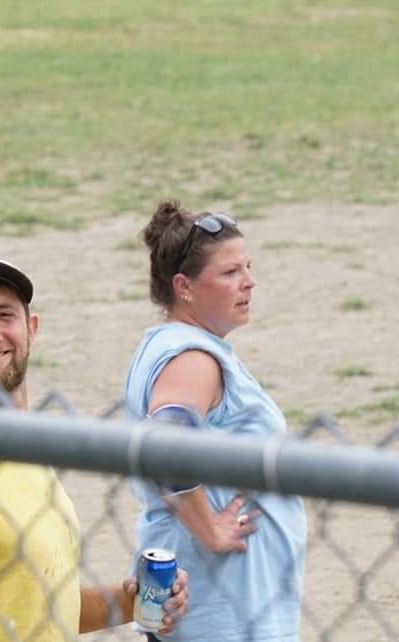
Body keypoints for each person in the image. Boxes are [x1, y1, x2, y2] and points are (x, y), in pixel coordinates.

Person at [0, 250, 189, 641]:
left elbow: (42, 606)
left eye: (5, 314)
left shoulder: (30, 454)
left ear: (31, 328)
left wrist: (132, 601)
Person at [124, 200, 307, 641]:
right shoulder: (191, 358)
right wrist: (210, 529)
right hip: (222, 605)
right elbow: (166, 442)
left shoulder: (174, 345)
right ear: (184, 286)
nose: (249, 282)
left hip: (224, 600)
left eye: (247, 267)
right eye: (230, 273)